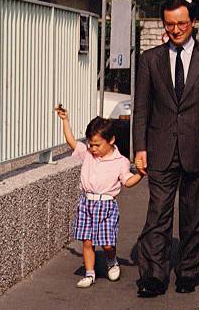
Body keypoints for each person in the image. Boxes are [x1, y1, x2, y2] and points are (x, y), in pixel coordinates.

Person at [133, 0, 199, 297]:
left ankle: (189, 271)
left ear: (193, 23)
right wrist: (140, 148)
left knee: (196, 215)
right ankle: (153, 276)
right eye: (170, 24)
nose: (175, 29)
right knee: (157, 215)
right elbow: (142, 109)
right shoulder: (150, 60)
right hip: (160, 148)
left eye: (181, 23)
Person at [54, 106, 144, 288]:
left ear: (111, 140)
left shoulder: (120, 162)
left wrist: (141, 175)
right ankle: (90, 273)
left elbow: (127, 181)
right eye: (90, 144)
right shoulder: (87, 154)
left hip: (107, 206)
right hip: (86, 203)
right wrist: (65, 121)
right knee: (87, 241)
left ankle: (112, 261)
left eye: (97, 145)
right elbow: (72, 141)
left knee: (107, 243)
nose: (93, 148)